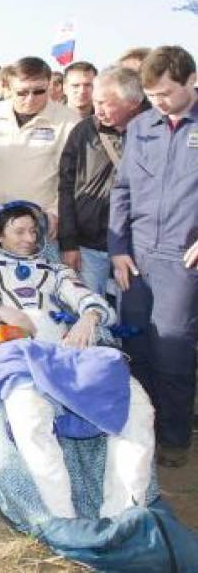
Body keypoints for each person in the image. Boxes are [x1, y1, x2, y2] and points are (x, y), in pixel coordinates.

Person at [0, 202, 154, 519]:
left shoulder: (54, 270)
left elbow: (92, 302)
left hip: (61, 351)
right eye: (19, 231)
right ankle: (61, 517)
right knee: (29, 415)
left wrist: (89, 318)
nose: (29, 238)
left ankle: (124, 513)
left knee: (138, 406)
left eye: (33, 231)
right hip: (10, 349)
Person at [109, 45, 198, 468]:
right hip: (137, 257)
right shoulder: (142, 125)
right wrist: (118, 250)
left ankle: (175, 437)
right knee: (136, 345)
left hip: (183, 260)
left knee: (174, 351)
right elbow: (122, 190)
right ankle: (139, 430)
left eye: (166, 93)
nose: (158, 102)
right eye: (152, 94)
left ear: (191, 81)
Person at [58, 66, 148, 297]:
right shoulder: (83, 130)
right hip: (87, 247)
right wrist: (69, 243)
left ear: (133, 102)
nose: (97, 110)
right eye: (95, 102)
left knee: (132, 318)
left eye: (106, 103)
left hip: (137, 248)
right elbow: (66, 187)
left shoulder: (155, 132)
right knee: (89, 314)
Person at [0, 56, 79, 234]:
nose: (30, 99)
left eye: (39, 91)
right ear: (9, 88)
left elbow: (74, 178)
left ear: (50, 85)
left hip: (38, 225)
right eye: (22, 93)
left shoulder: (69, 122)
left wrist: (55, 213)